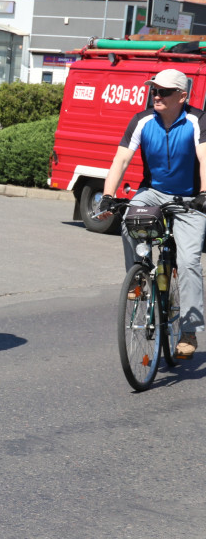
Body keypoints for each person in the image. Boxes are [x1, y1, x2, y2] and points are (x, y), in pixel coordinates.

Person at [97, 68, 206, 358]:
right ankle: (139, 277)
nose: (156, 95)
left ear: (182, 96)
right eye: (154, 90)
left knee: (189, 260)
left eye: (165, 91)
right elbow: (120, 160)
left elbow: (205, 157)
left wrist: (204, 195)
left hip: (191, 197)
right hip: (153, 192)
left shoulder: (197, 120)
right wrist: (108, 197)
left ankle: (189, 331)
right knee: (128, 221)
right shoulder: (142, 120)